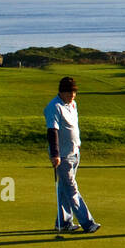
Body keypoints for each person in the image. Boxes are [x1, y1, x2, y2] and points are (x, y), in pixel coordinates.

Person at [45, 76, 100, 233]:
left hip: (74, 152)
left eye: (74, 93)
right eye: (69, 93)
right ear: (61, 92)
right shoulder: (54, 107)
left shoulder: (73, 104)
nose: (72, 96)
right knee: (71, 189)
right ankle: (88, 223)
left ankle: (63, 222)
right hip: (61, 156)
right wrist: (55, 154)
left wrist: (78, 143)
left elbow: (73, 126)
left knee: (64, 189)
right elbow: (52, 131)